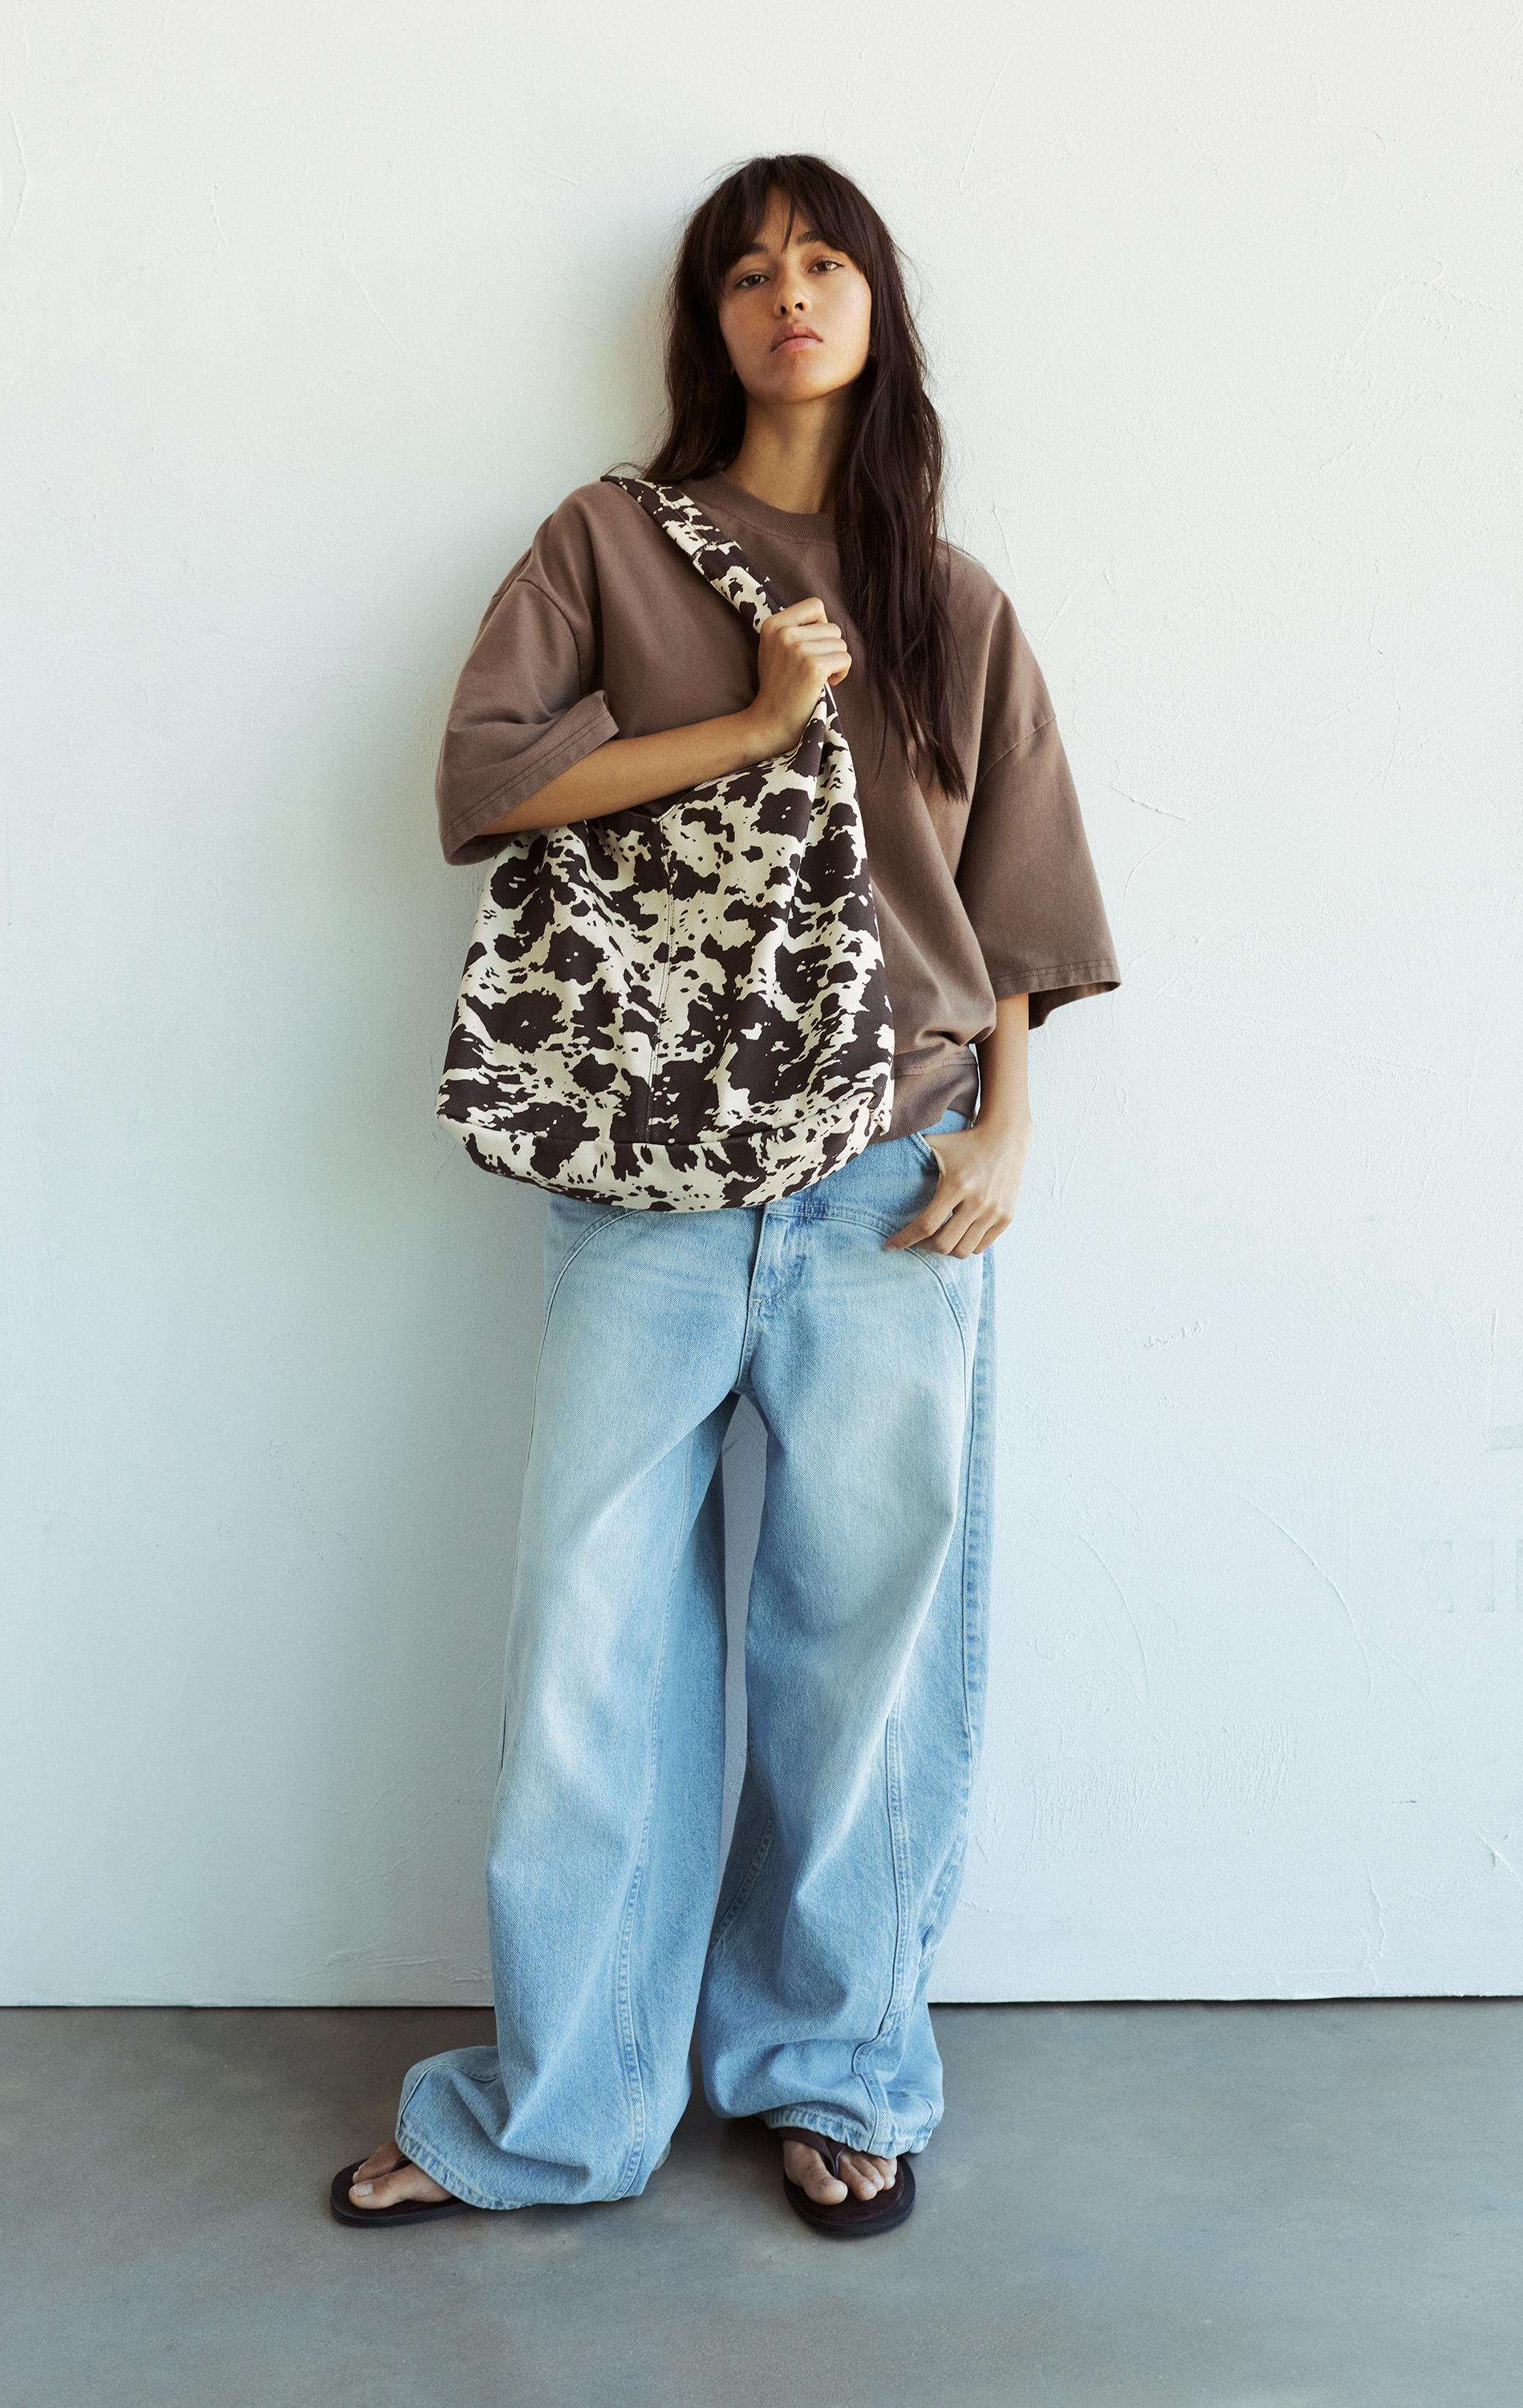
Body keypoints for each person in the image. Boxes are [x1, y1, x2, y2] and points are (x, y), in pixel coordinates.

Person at [331, 152, 1119, 2239]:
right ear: (707, 319)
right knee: (591, 1650)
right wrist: (758, 720)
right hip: (648, 1165)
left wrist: (1007, 1127)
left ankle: (839, 2070)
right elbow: (487, 783)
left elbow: (1014, 904)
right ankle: (556, 2112)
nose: (789, 294)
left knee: (862, 1649)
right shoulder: (607, 543)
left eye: (825, 261)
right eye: (750, 269)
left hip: (896, 1170)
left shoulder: (948, 596)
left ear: (876, 308)